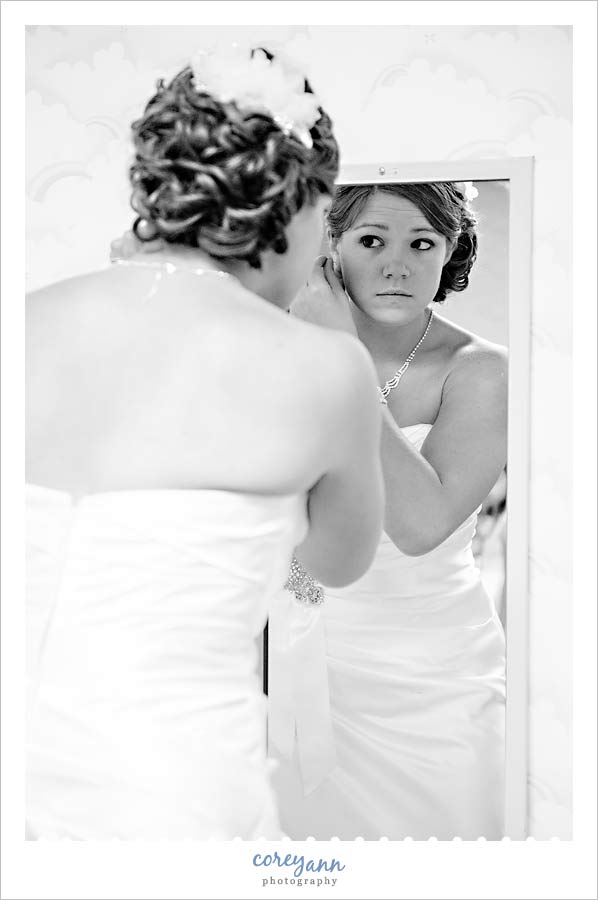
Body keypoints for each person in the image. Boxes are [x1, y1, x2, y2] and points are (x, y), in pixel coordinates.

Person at [25, 47, 384, 840]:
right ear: (293, 204)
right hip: (169, 798)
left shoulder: (23, 321)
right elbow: (338, 561)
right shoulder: (324, 367)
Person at [269, 181, 508, 840]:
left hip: (434, 675)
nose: (396, 264)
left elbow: (422, 524)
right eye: (371, 240)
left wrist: (344, 360)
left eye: (421, 242)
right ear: (330, 249)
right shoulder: (276, 348)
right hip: (300, 659)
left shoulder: (481, 368)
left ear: (450, 250)